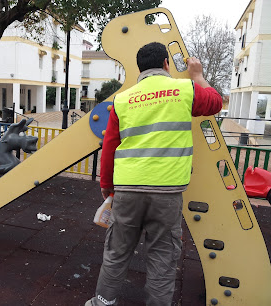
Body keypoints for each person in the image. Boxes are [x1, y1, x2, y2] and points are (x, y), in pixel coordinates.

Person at [86, 42, 222, 306]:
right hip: (167, 193)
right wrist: (198, 75)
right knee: (162, 257)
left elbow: (111, 146)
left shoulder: (123, 100)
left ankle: (102, 302)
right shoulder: (185, 90)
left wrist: (107, 186)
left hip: (127, 190)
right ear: (165, 64)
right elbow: (214, 104)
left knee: (117, 251)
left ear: (140, 68)